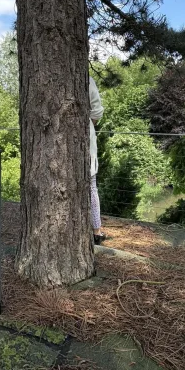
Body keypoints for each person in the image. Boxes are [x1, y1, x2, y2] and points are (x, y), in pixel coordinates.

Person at [89, 75, 106, 245]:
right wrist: (89, 125)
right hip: (86, 139)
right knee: (91, 186)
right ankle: (96, 230)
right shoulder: (87, 79)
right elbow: (97, 110)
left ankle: (96, 229)